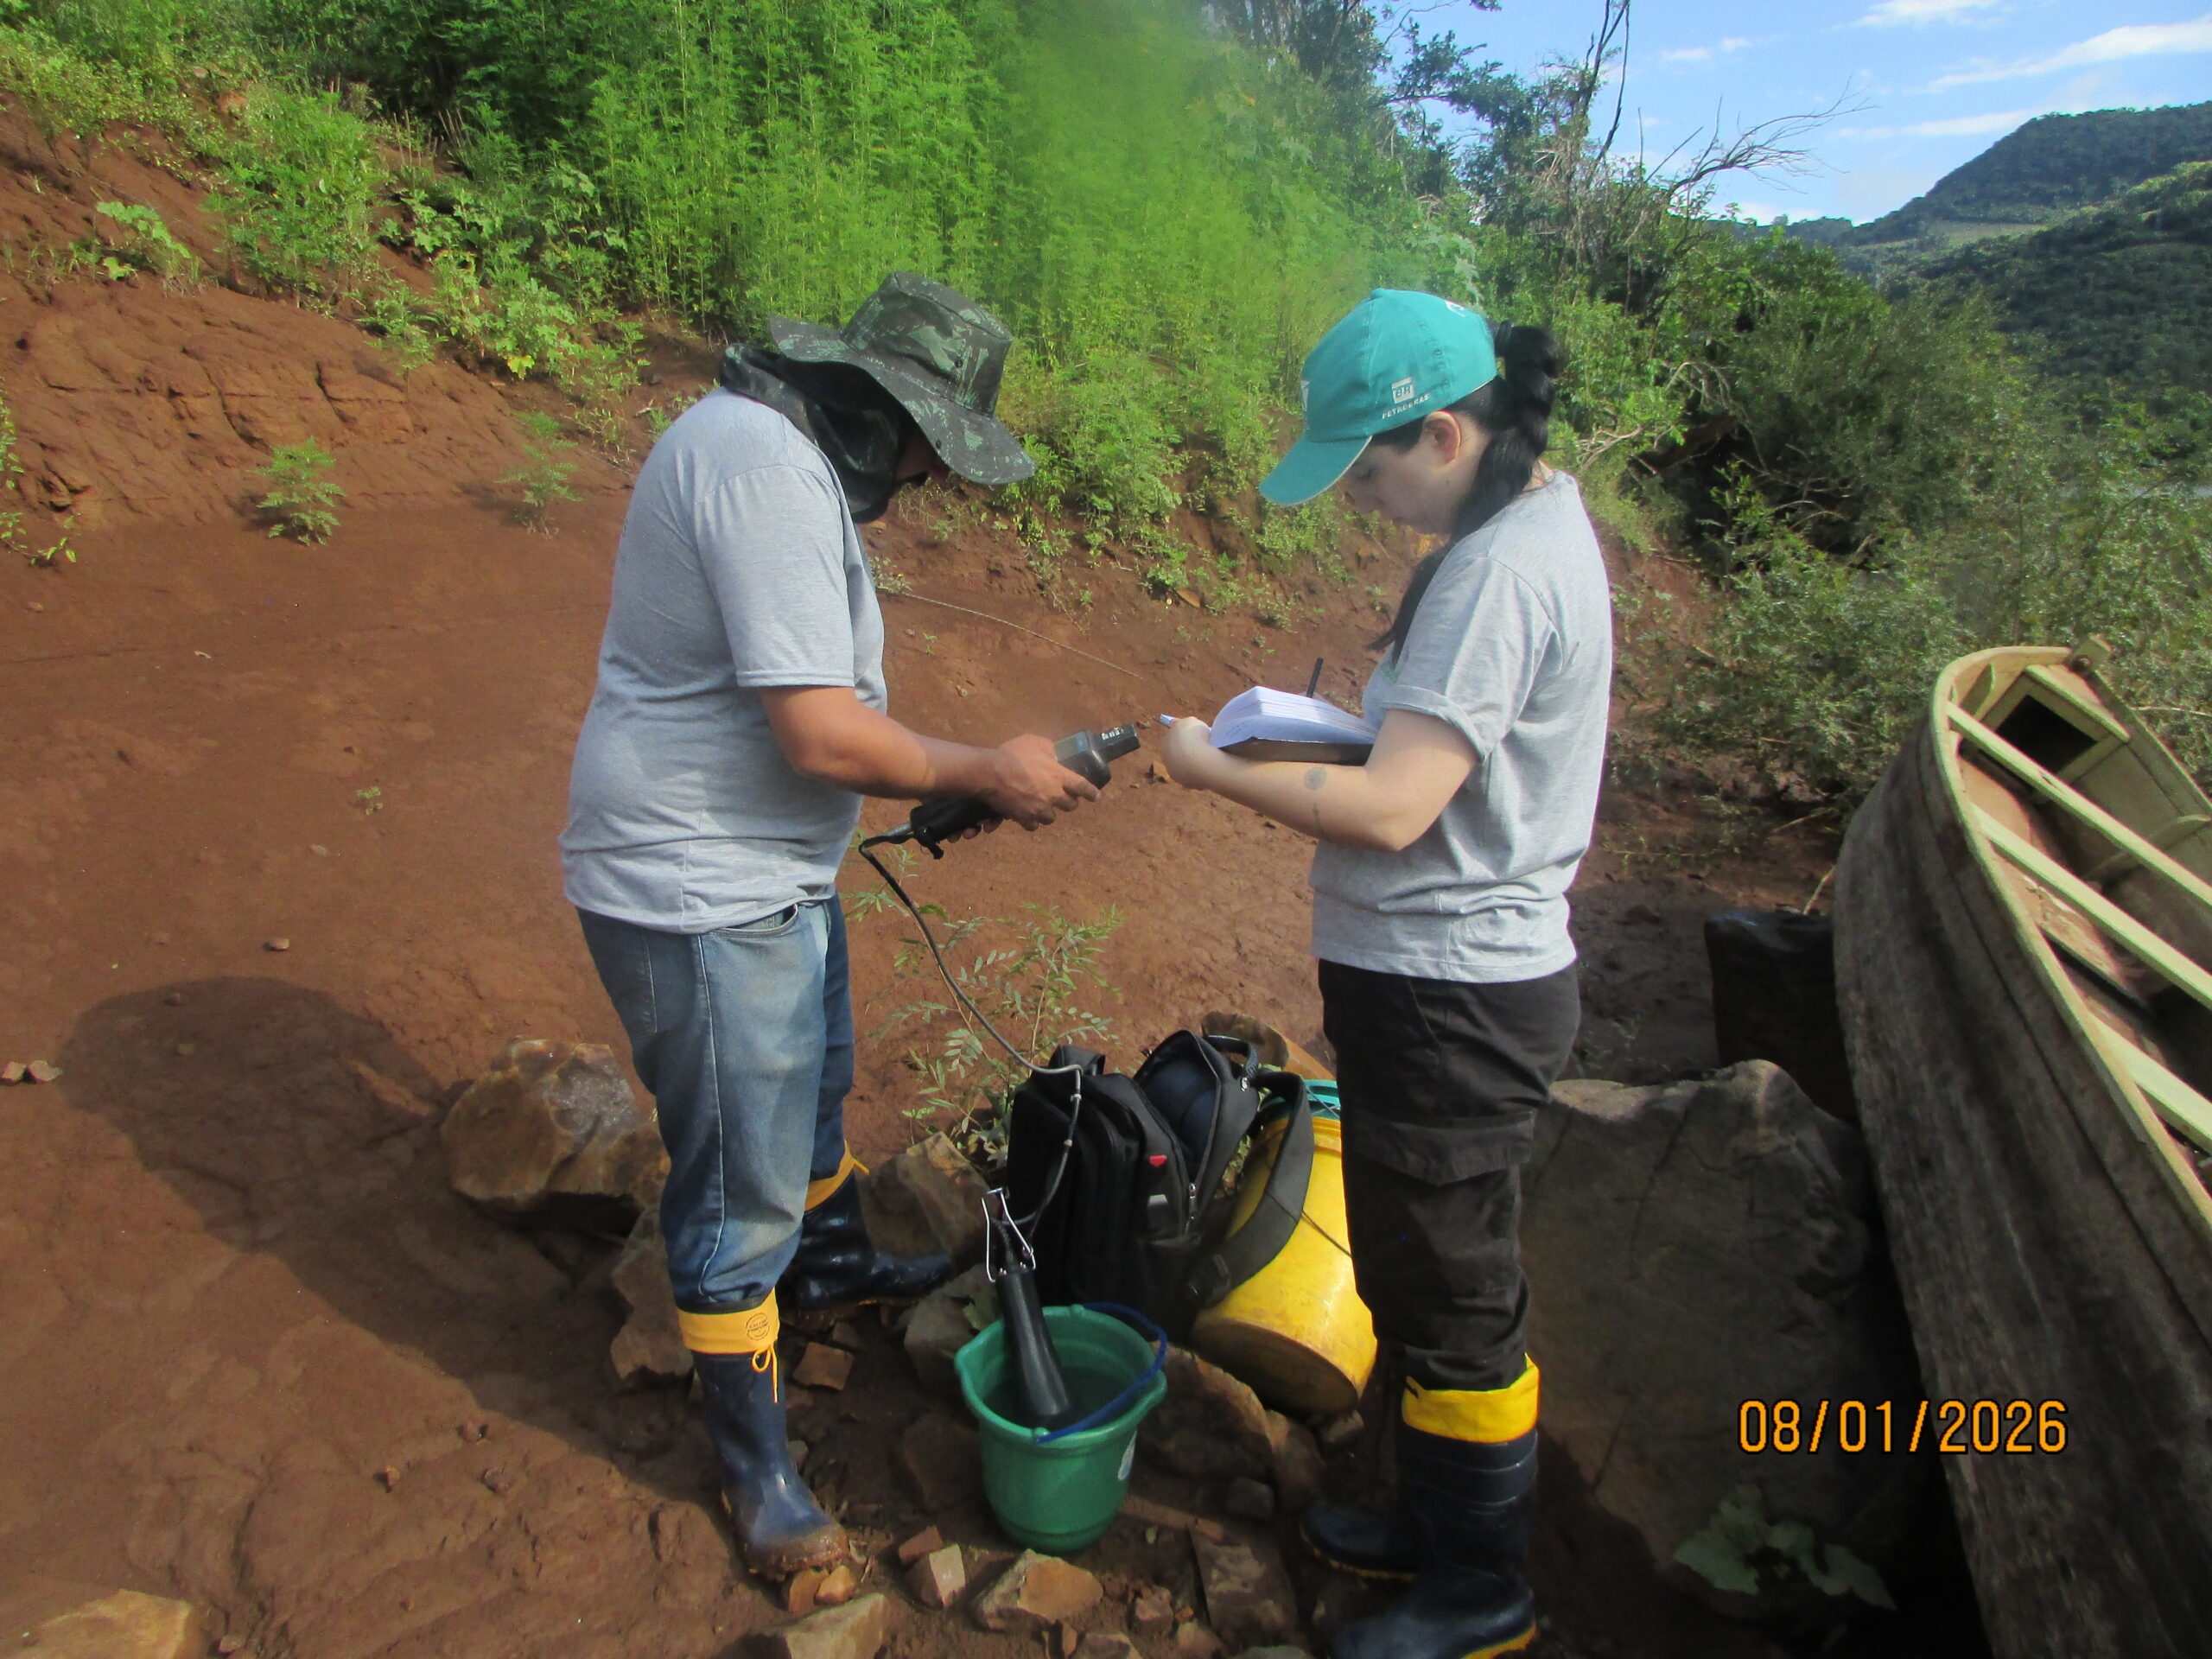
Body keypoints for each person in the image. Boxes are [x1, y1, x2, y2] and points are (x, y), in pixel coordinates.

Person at [560, 271, 1099, 1579]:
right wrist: (986, 770)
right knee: (739, 1183)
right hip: (698, 884)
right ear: (884, 411)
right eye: (928, 452)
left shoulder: (772, 451)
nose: (923, 479)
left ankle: (834, 1262)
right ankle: (754, 1465)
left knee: (809, 1092)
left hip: (771, 870)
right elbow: (817, 732)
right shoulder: (763, 471)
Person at [1161, 289, 1607, 1659]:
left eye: (1368, 470)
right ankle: (1427, 1525)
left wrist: (1217, 769)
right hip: (1441, 988)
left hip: (1453, 998)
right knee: (1418, 1276)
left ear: (1448, 435)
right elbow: (1437, 760)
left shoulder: (1495, 575)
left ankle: (1481, 1592)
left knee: (1459, 1298)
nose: (1360, 501)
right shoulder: (1521, 527)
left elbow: (1400, 808)